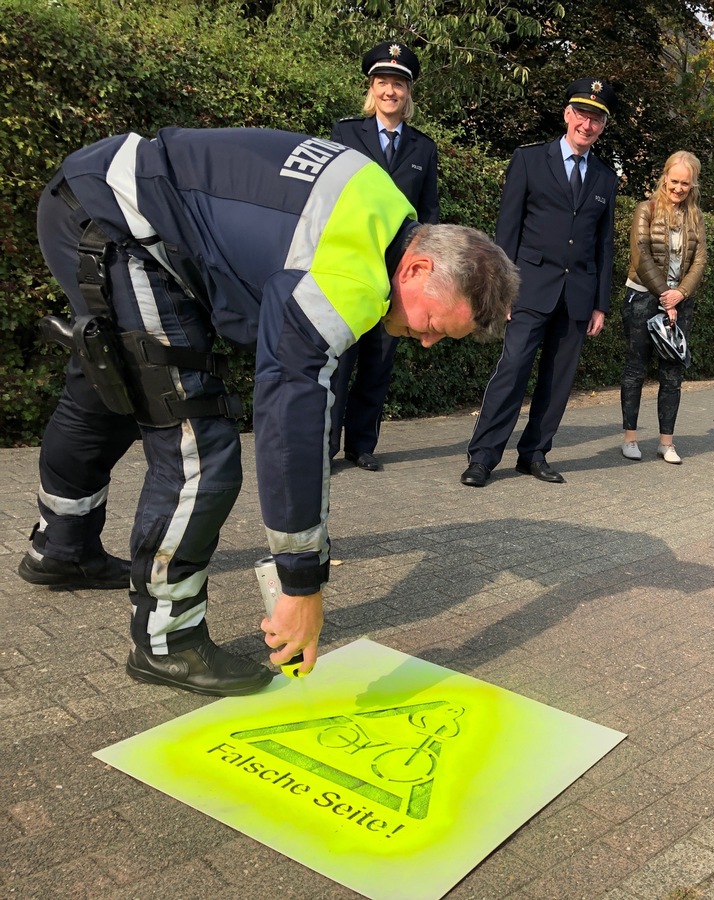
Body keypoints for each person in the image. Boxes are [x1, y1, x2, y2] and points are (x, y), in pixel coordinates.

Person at [18, 126, 517, 696]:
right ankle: (166, 640)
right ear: (419, 269)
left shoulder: (390, 213)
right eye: (432, 325)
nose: (424, 342)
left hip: (94, 190)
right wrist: (302, 587)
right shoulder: (347, 276)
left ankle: (60, 547)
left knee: (105, 387)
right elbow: (293, 425)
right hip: (117, 223)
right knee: (199, 447)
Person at [460, 78, 619, 488]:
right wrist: (502, 288)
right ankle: (482, 457)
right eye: (582, 113)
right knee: (511, 371)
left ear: (603, 125)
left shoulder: (605, 177)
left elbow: (604, 244)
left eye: (596, 118)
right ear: (567, 114)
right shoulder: (530, 160)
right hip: (529, 288)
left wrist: (601, 302)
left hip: (578, 295)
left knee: (557, 382)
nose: (587, 123)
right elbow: (507, 229)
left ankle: (534, 453)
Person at [329, 40, 440, 472]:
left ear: (408, 93)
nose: (389, 91)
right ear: (371, 88)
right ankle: (324, 447)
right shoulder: (345, 134)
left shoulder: (423, 148)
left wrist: (424, 268)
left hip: (396, 273)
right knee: (339, 362)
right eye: (382, 82)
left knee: (377, 363)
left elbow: (428, 215)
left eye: (397, 83)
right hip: (349, 266)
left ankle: (362, 445)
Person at [620, 151, 707, 465]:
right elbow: (640, 254)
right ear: (665, 177)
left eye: (685, 183)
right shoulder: (646, 209)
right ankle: (630, 438)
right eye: (674, 181)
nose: (679, 188)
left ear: (692, 184)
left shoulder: (696, 217)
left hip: (680, 303)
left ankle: (666, 443)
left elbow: (699, 261)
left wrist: (679, 294)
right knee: (635, 369)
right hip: (642, 298)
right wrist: (665, 294)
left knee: (673, 374)